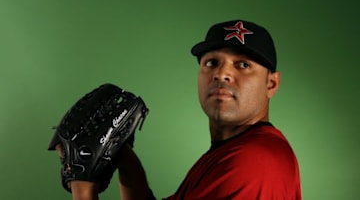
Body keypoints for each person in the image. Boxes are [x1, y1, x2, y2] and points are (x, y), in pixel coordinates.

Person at [55, 19, 302, 200]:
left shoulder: (254, 162)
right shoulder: (229, 153)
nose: (222, 73)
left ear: (271, 83)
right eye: (212, 62)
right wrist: (125, 160)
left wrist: (83, 187)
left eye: (243, 65)